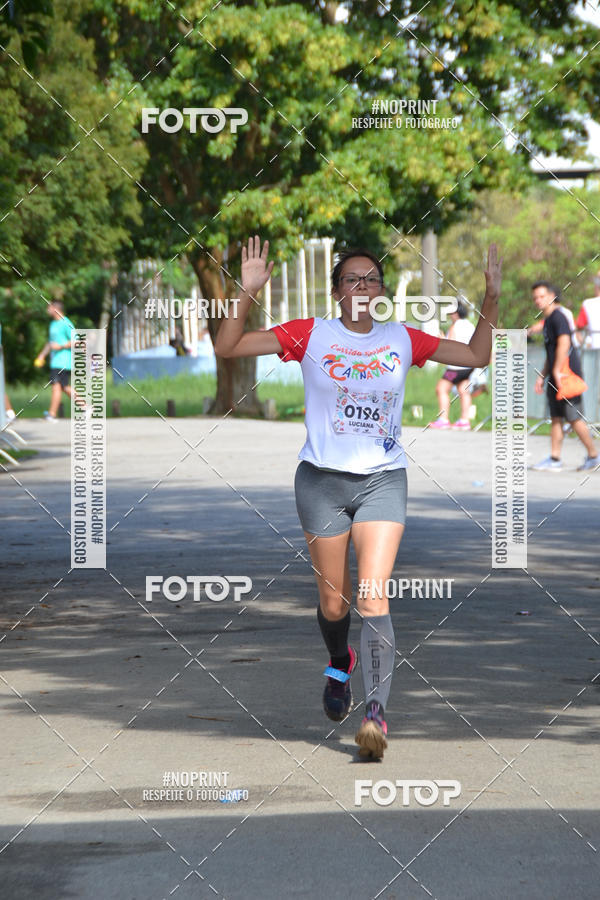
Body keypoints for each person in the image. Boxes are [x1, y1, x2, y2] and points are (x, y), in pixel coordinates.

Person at [215, 236, 502, 760]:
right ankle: (338, 662)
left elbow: (477, 355)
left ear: (382, 291)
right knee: (334, 602)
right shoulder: (310, 334)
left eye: (371, 279)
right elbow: (228, 347)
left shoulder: (403, 338)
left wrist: (491, 299)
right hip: (320, 483)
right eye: (352, 279)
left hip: (382, 481)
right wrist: (247, 291)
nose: (363, 286)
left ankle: (375, 713)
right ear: (337, 292)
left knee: (372, 596)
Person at [531, 281, 598, 471]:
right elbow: (551, 352)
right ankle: (555, 458)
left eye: (542, 296)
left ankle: (594, 455)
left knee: (573, 417)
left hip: (566, 374)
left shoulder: (558, 317)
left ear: (552, 296)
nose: (538, 300)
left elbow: (564, 343)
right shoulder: (547, 320)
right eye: (535, 297)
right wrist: (542, 375)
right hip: (556, 373)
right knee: (556, 417)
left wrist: (557, 371)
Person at [430, 298, 476, 430]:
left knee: (441, 389)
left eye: (451, 313)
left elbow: (451, 345)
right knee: (463, 390)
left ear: (456, 313)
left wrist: (441, 340)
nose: (450, 316)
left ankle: (443, 419)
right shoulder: (470, 325)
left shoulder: (455, 326)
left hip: (455, 367)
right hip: (469, 365)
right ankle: (464, 421)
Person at [35, 299, 76, 422]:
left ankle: (52, 414)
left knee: (57, 386)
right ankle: (85, 407)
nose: (47, 310)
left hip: (63, 361)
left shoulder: (66, 323)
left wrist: (61, 346)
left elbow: (77, 341)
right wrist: (41, 356)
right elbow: (50, 343)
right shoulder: (53, 324)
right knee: (62, 387)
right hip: (55, 361)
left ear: (55, 309)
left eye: (49, 307)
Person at [575, 270, 600, 350]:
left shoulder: (588, 304)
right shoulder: (588, 304)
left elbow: (577, 330)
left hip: (596, 353)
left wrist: (585, 346)